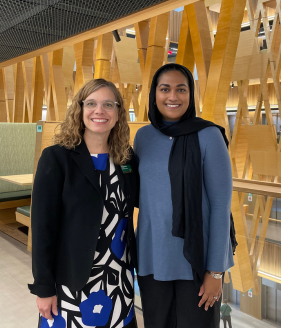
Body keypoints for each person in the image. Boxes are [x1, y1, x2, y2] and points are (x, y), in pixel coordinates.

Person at [28, 79, 139, 328]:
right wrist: (44, 287)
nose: (99, 111)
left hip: (118, 278)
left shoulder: (126, 159)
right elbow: (43, 228)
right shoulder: (57, 158)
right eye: (91, 103)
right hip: (72, 281)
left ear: (118, 113)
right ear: (80, 110)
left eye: (108, 104)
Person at [133, 63, 234, 328]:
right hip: (152, 258)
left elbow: (221, 207)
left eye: (181, 89)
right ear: (154, 94)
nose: (173, 97)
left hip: (196, 264)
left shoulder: (209, 135)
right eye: (165, 89)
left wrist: (215, 271)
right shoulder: (143, 137)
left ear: (191, 95)